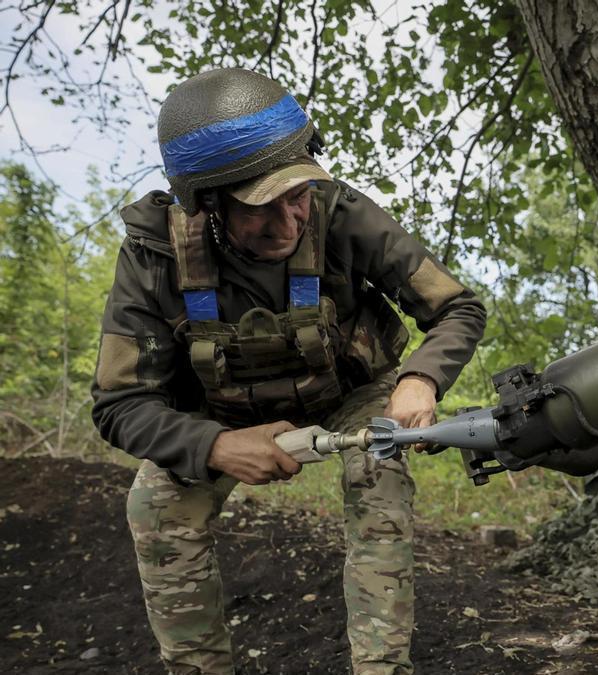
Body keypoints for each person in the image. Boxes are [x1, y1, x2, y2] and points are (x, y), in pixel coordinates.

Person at [91, 68, 487, 675]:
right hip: (220, 414)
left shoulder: (344, 214)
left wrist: (421, 379)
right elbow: (119, 404)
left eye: (298, 195)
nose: (289, 222)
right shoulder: (155, 257)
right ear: (208, 204)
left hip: (350, 394)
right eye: (259, 208)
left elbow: (457, 306)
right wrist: (215, 444)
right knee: (156, 504)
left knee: (378, 474)